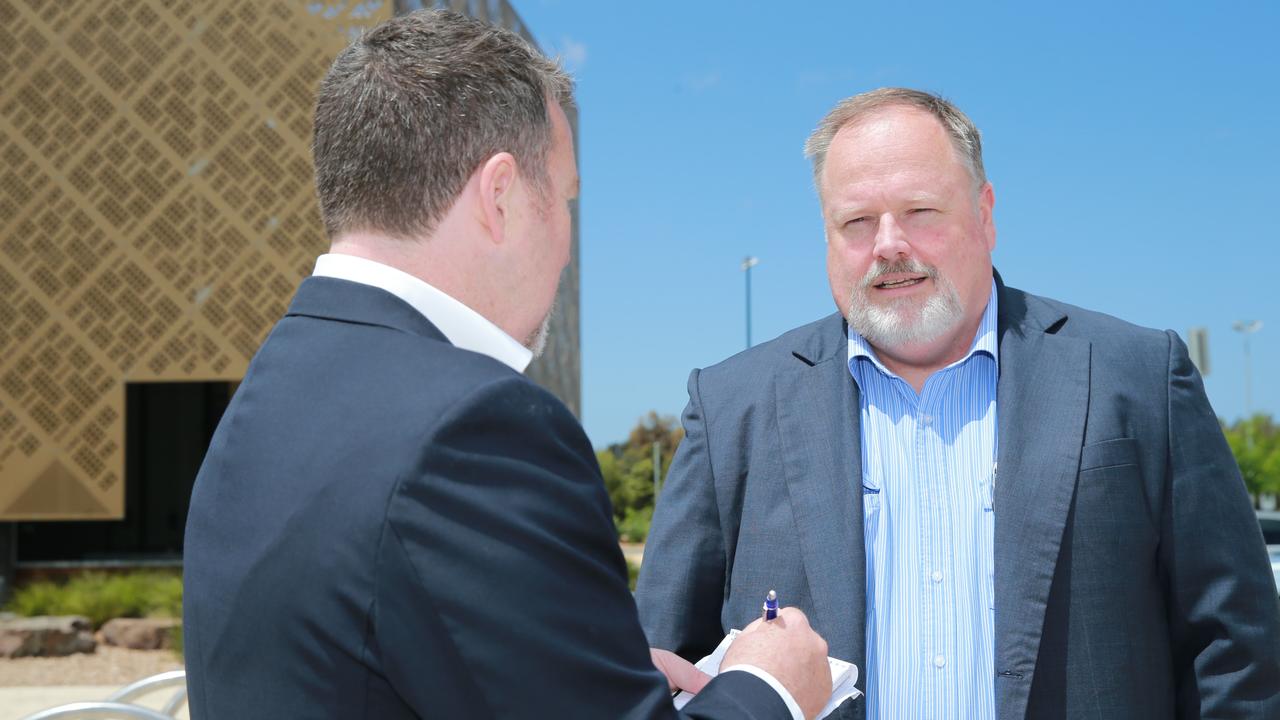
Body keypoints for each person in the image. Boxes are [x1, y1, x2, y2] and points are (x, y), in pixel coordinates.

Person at [182, 10, 833, 719]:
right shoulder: (477, 426)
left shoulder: (276, 382)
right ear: (499, 196)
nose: (566, 241)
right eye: (565, 198)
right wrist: (770, 688)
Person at [635, 87, 1280, 719]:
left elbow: (1237, 657)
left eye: (920, 211)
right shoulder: (730, 409)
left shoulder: (1137, 378)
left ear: (985, 212)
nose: (888, 244)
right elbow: (658, 670)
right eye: (856, 221)